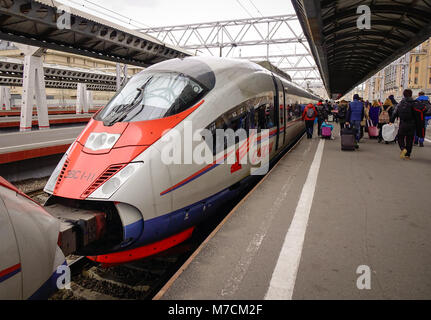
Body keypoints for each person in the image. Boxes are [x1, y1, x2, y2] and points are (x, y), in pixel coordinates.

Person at [389, 89, 417, 160]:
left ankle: (403, 148)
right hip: (412, 124)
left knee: (400, 137)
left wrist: (391, 121)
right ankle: (408, 155)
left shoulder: (400, 103)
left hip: (403, 123)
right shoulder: (414, 103)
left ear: (404, 95)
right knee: (410, 139)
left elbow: (394, 113)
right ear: (411, 94)